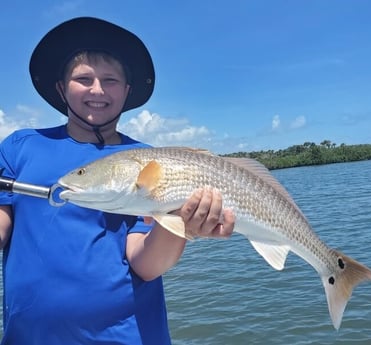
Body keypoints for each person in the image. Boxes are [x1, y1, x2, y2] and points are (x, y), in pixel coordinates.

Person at [0, 17, 235, 345]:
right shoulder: (19, 147)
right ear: (60, 88)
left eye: (110, 80)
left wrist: (182, 223)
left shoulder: (152, 161)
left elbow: (146, 264)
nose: (97, 89)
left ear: (126, 91)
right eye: (83, 78)